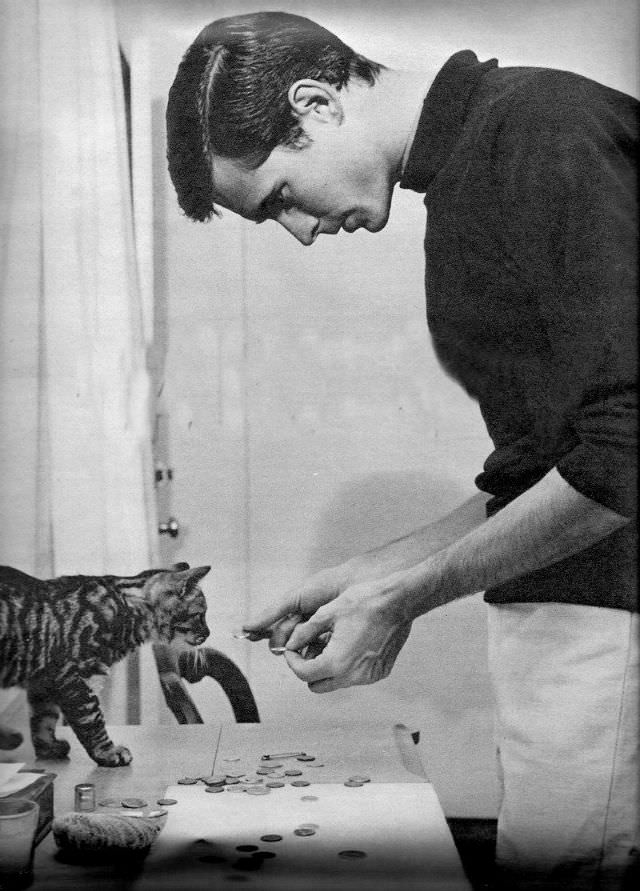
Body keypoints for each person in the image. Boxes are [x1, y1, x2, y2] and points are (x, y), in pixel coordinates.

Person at [166, 11, 638, 889]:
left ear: (315, 105)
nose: (300, 233)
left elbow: (625, 454)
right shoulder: (471, 175)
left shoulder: (543, 133)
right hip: (574, 626)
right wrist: (369, 573)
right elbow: (543, 470)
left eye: (277, 198)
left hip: (611, 625)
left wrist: (406, 598)